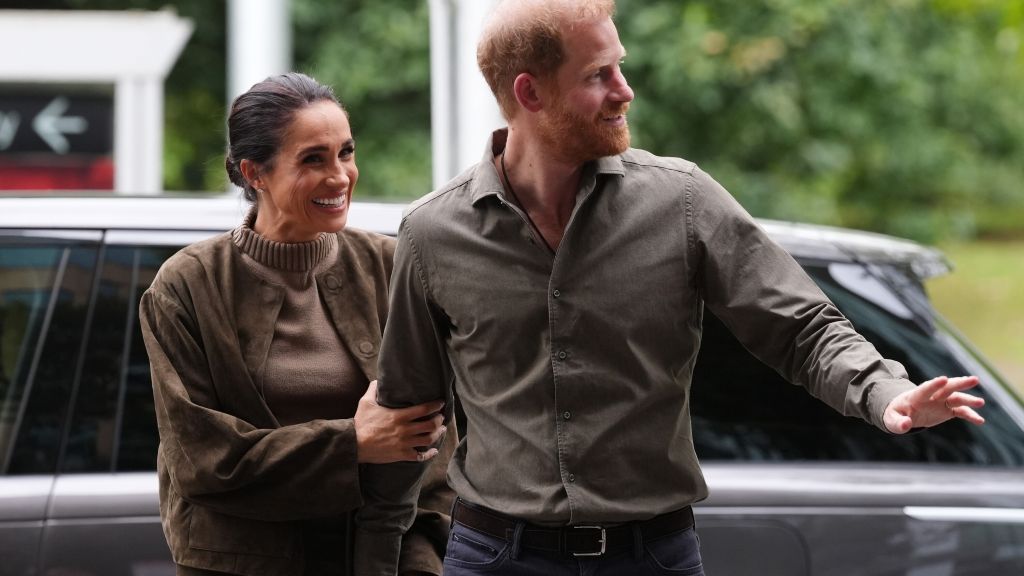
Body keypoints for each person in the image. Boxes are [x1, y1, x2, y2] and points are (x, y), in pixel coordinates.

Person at [355, 2, 987, 575]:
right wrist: (388, 555)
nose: (624, 92)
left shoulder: (681, 202)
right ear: (530, 92)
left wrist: (884, 392)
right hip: (496, 558)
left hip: (653, 557)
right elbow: (410, 414)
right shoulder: (434, 233)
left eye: (619, 68)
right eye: (597, 75)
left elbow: (801, 327)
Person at [139, 72, 455, 576]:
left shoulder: (394, 268)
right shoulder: (187, 286)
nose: (340, 176)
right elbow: (203, 460)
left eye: (346, 153)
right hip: (238, 564)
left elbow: (437, 448)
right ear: (254, 173)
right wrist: (353, 442)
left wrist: (418, 563)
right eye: (313, 159)